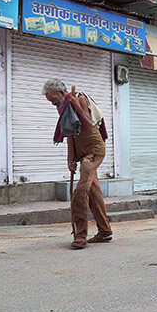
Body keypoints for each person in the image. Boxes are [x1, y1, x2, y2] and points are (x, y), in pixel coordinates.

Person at [43, 78, 112, 249]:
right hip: (82, 152)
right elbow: (70, 134)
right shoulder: (61, 106)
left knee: (80, 192)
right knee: (94, 192)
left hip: (94, 151)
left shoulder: (78, 98)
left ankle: (80, 236)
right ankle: (105, 231)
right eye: (49, 101)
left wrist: (77, 105)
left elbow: (88, 124)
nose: (52, 103)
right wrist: (70, 159)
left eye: (53, 99)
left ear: (60, 92)